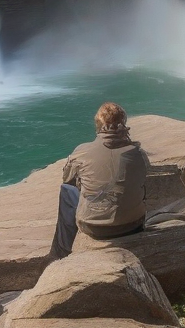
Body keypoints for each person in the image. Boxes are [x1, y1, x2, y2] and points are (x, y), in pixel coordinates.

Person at [50, 101, 150, 259]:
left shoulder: (82, 151)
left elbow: (67, 178)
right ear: (123, 123)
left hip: (94, 227)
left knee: (67, 191)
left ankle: (62, 252)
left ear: (98, 123)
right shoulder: (138, 153)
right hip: (133, 225)